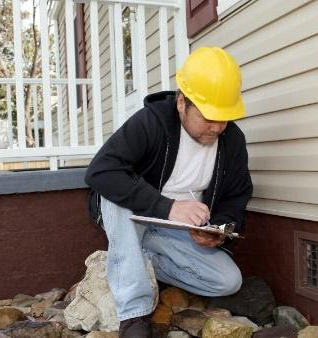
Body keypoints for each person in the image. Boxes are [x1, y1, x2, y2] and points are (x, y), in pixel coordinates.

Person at [85, 46, 253, 338]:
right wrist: (169, 207)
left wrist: (220, 227)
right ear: (181, 103)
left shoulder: (232, 140)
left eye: (223, 118)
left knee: (228, 280)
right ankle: (134, 316)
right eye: (208, 116)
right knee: (115, 193)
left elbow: (237, 195)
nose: (217, 127)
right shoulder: (151, 122)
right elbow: (101, 171)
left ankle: (134, 260)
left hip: (176, 231)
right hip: (132, 214)